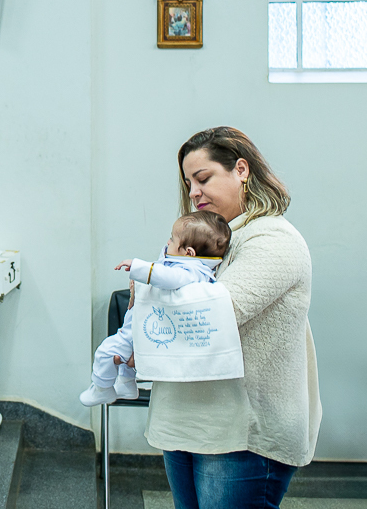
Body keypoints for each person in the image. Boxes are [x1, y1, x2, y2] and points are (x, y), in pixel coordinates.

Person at [135, 127, 321, 509]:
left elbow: (209, 316)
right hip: (186, 418)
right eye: (189, 183)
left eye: (203, 178)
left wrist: (154, 286)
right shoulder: (208, 239)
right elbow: (150, 297)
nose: (193, 192)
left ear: (241, 169)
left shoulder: (272, 239)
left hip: (242, 433)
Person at [79, 211, 230, 406]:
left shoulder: (190, 271)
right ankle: (126, 385)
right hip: (141, 326)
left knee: (105, 352)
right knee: (123, 356)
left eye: (172, 239)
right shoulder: (195, 267)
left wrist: (138, 267)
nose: (167, 243)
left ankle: (102, 389)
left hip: (146, 327)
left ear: (189, 252)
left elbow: (167, 277)